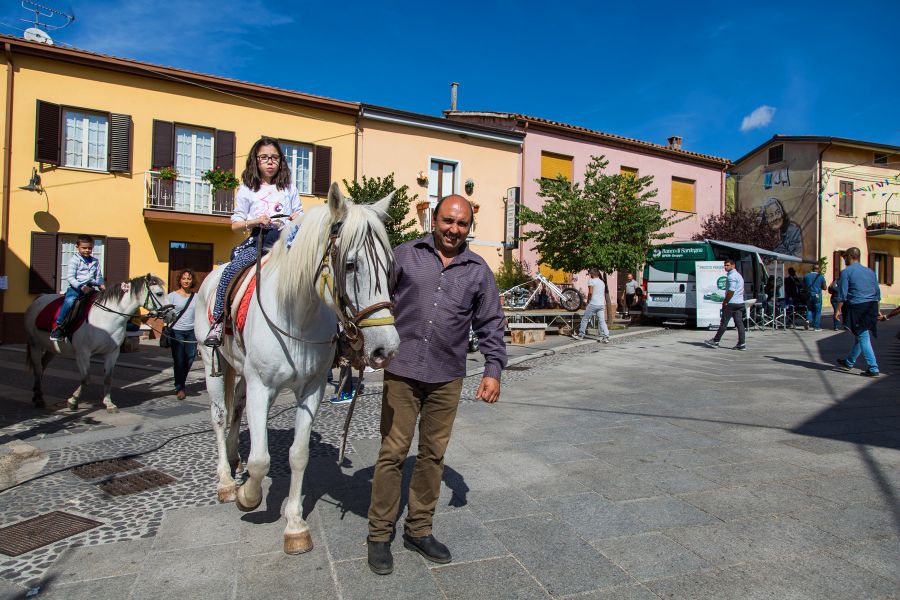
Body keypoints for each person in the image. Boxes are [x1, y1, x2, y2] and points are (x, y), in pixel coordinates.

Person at [367, 195, 506, 576]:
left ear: (469, 227)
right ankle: (379, 534)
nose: (453, 229)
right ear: (433, 219)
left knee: (432, 455)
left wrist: (493, 368)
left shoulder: (478, 270)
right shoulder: (404, 255)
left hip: (447, 375)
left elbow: (491, 323)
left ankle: (419, 529)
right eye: (448, 221)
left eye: (462, 224)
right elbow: (377, 300)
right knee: (393, 451)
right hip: (403, 369)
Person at [204, 137, 302, 346]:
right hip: (260, 239)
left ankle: (335, 328)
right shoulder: (247, 189)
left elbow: (299, 214)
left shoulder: (290, 188)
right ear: (256, 161)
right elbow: (235, 224)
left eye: (274, 157)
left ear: (280, 161)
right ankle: (218, 321)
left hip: (287, 240)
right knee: (231, 270)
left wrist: (297, 218)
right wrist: (256, 220)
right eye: (264, 157)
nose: (270, 162)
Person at [834, 247, 881, 377]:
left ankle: (873, 368)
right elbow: (877, 292)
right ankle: (849, 361)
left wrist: (838, 310)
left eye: (844, 257)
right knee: (861, 335)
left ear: (850, 256)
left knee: (863, 336)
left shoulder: (846, 272)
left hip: (857, 307)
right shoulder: (870, 271)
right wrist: (878, 309)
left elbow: (842, 293)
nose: (844, 259)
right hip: (871, 306)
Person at [50, 235, 106, 341]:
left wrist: (101, 285)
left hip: (90, 288)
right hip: (76, 288)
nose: (87, 250)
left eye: (89, 248)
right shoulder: (74, 260)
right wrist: (81, 287)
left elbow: (98, 277)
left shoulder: (95, 261)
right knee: (70, 302)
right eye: (84, 248)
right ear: (77, 247)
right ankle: (59, 326)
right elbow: (70, 278)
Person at [167, 269, 197, 400]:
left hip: (192, 332)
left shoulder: (196, 297)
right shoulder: (172, 296)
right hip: (177, 331)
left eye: (189, 279)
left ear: (192, 281)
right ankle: (180, 387)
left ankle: (180, 382)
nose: (186, 281)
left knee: (189, 359)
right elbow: (166, 314)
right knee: (179, 360)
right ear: (180, 280)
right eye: (184, 278)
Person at [704, 258, 746, 350]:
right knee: (739, 324)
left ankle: (716, 341)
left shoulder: (732, 276)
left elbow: (731, 290)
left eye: (727, 265)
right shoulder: (739, 275)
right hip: (740, 303)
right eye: (725, 265)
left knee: (724, 323)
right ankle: (741, 344)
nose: (725, 267)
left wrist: (725, 301)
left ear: (733, 265)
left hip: (731, 303)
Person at [572, 268, 609, 342]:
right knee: (602, 321)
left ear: (592, 274)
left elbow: (590, 293)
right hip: (601, 304)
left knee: (585, 319)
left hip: (593, 304)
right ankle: (606, 337)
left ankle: (581, 335)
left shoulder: (591, 281)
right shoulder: (602, 282)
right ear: (598, 274)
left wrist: (588, 301)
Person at [803, 264, 827, 331]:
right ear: (818, 269)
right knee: (818, 311)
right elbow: (825, 287)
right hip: (817, 295)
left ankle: (808, 320)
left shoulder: (806, 276)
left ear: (812, 269)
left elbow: (804, 286)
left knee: (809, 308)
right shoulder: (821, 277)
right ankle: (816, 327)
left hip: (809, 295)